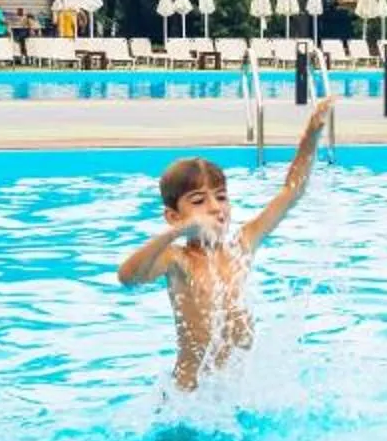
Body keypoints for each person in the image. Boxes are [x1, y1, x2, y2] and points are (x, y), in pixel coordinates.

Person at [117, 98, 335, 389]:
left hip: (235, 392)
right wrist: (177, 232)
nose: (215, 207)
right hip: (191, 400)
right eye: (199, 201)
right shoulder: (177, 259)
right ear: (173, 216)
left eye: (221, 197)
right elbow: (128, 278)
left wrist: (311, 136)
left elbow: (291, 192)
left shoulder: (241, 246)